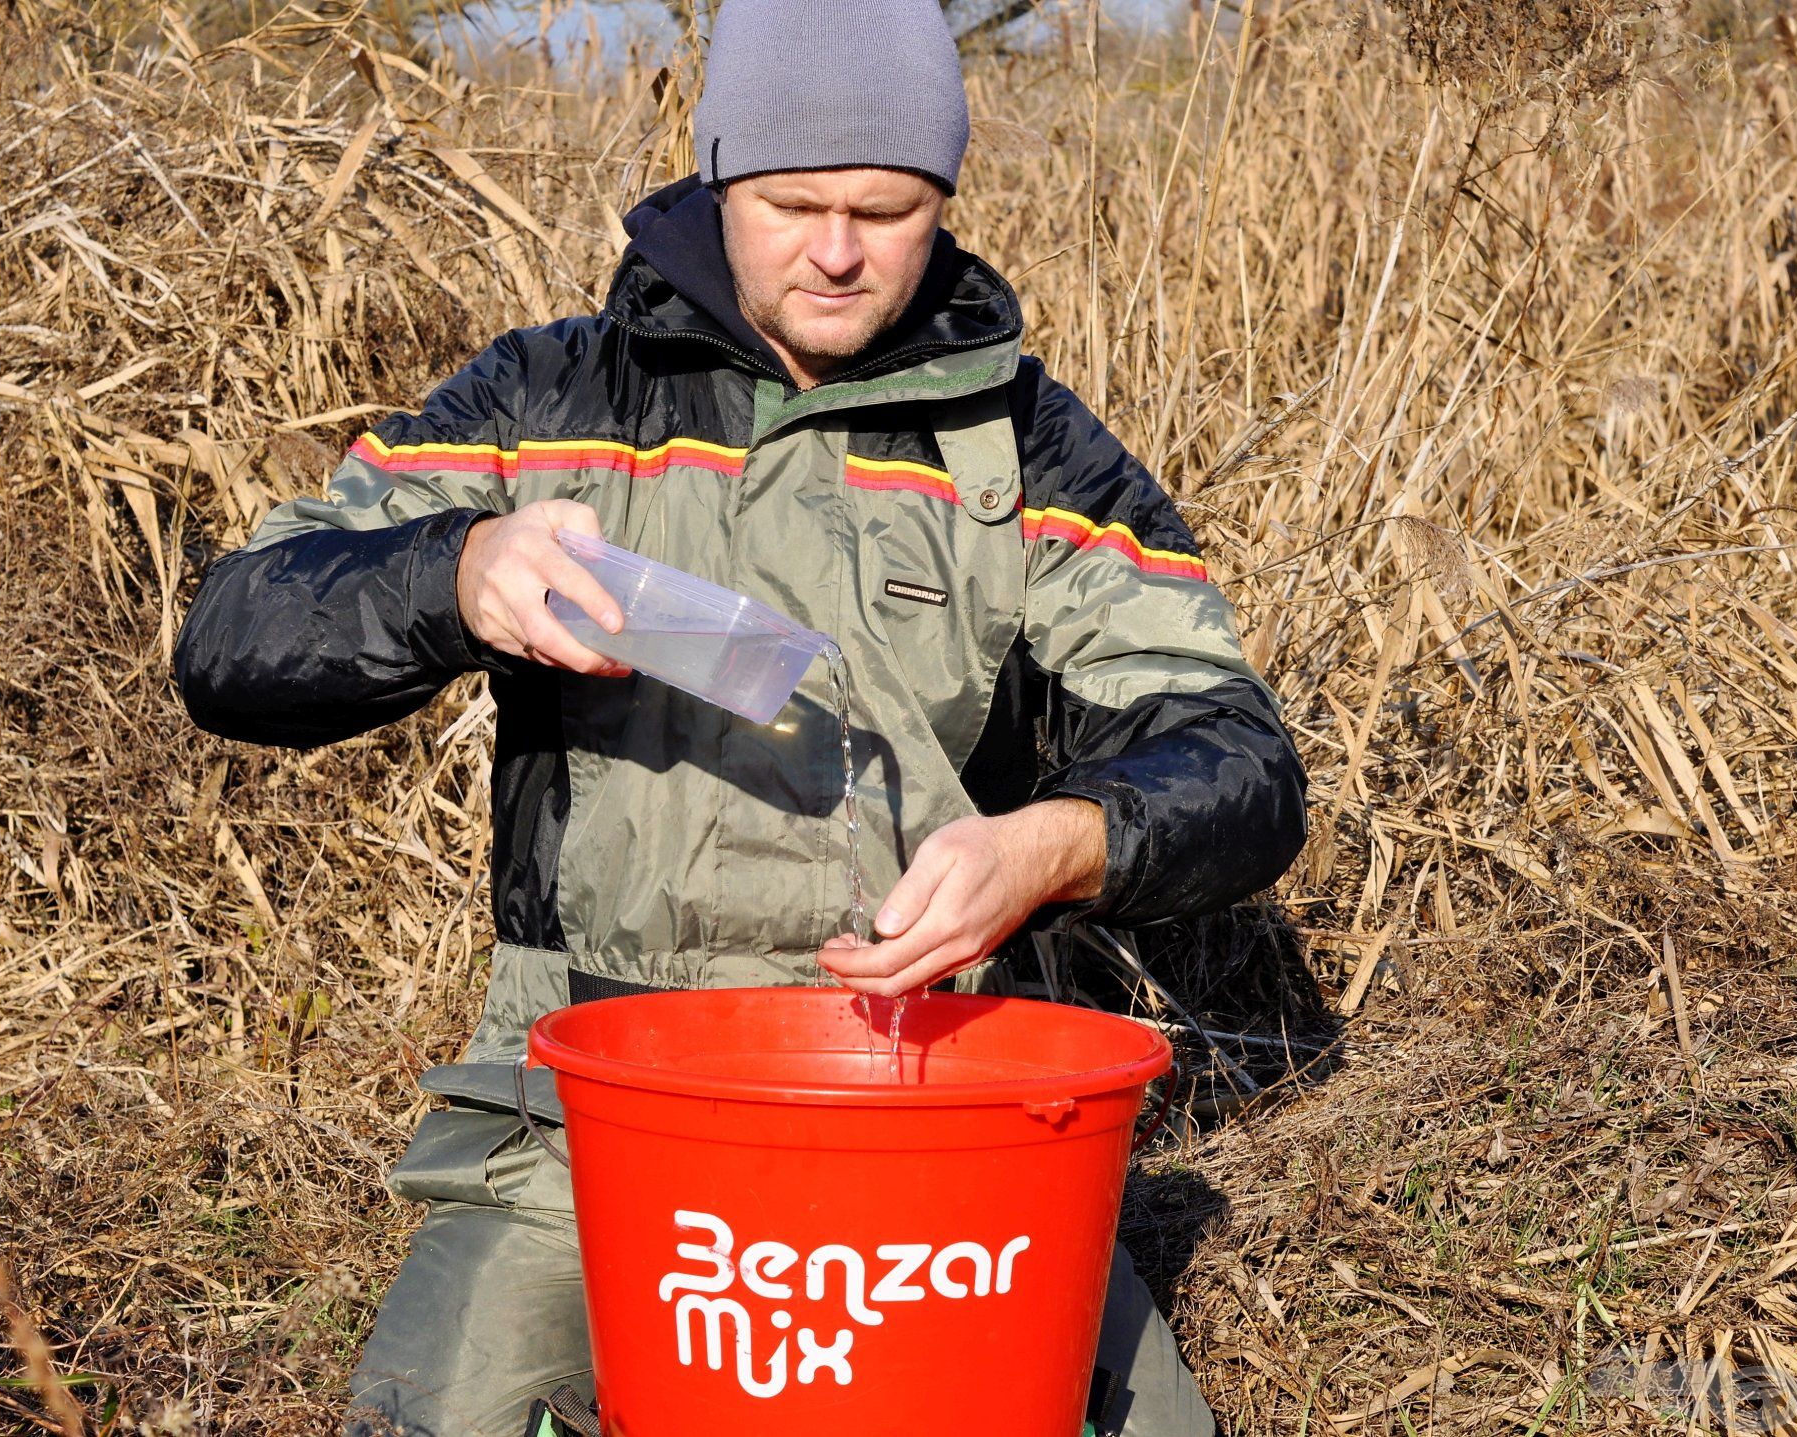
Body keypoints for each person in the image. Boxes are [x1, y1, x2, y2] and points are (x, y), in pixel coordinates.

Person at [173, 1, 1307, 1432]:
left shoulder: (1030, 447)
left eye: (887, 209)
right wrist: (449, 574)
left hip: (936, 1090)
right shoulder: (547, 395)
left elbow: (1241, 761)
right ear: (718, 176)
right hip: (576, 1103)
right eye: (793, 204)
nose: (839, 249)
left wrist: (1062, 845)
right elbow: (232, 636)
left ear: (945, 199)